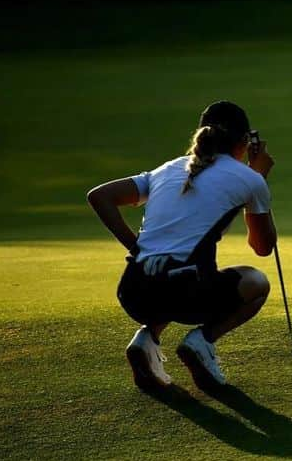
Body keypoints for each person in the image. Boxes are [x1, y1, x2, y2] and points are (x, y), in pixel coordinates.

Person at [87, 101, 277, 389]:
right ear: (243, 142)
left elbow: (100, 196)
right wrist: (258, 176)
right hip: (188, 294)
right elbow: (263, 247)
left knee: (172, 274)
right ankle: (201, 341)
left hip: (134, 291)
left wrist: (135, 247)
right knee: (256, 282)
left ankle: (146, 339)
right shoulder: (249, 179)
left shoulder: (165, 169)